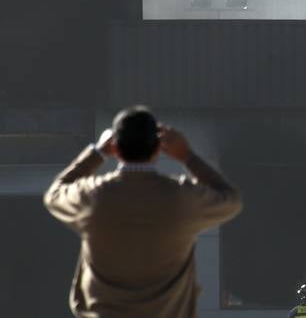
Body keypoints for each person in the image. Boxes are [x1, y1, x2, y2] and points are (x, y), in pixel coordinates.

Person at [44, 105, 242, 318]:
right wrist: (187, 156)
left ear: (115, 147)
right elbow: (229, 198)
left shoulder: (93, 197)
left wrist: (97, 153)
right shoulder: (180, 198)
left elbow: (54, 194)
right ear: (158, 149)